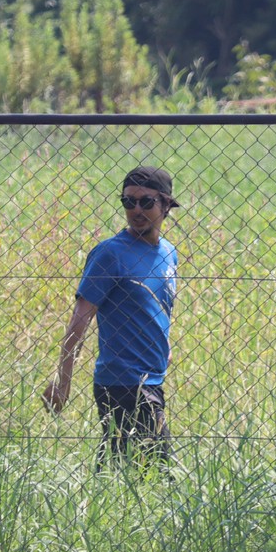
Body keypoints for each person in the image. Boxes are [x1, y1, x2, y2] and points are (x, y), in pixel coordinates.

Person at [44, 166, 180, 465]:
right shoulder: (110, 254)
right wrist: (63, 382)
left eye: (146, 202)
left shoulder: (169, 253)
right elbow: (79, 321)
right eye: (128, 201)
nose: (136, 210)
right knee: (155, 470)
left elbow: (157, 305)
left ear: (166, 205)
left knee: (122, 468)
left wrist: (164, 346)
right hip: (122, 382)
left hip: (153, 379)